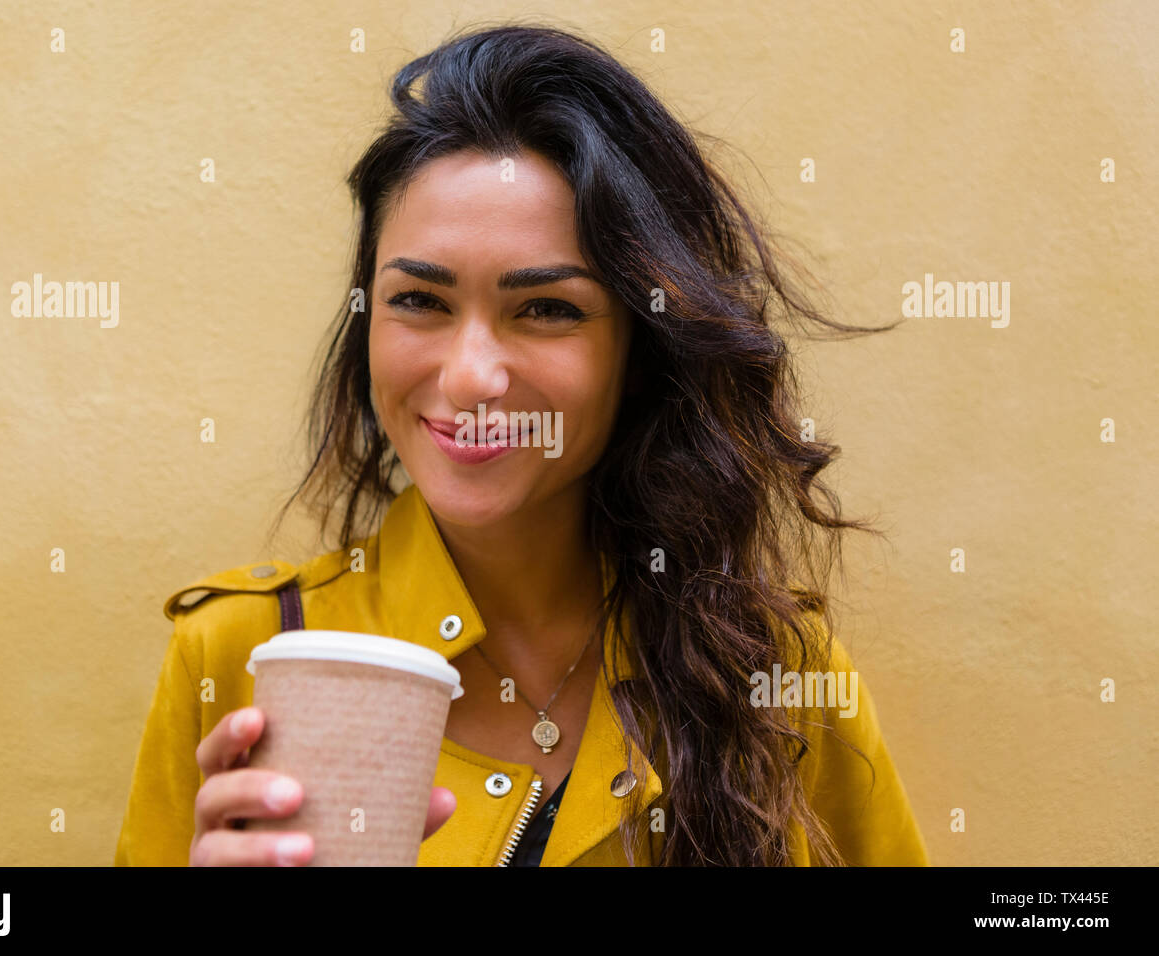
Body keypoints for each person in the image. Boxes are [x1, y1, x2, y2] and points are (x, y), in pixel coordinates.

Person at [115, 23, 928, 867]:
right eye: (419, 301)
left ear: (640, 350)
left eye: (547, 309)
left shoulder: (770, 673)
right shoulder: (239, 656)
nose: (469, 378)